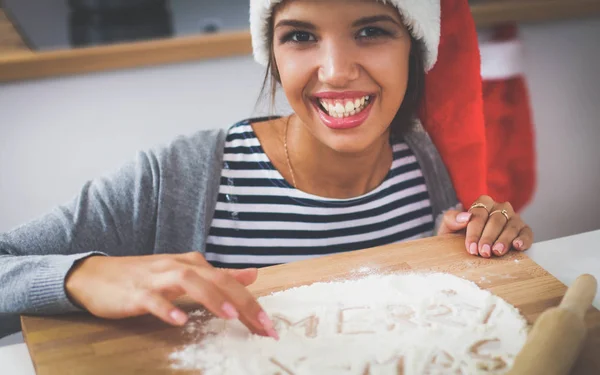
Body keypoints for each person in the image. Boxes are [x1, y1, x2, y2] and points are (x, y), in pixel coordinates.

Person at [0, 0, 533, 341]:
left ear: (415, 48)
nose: (336, 70)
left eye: (371, 30)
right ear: (273, 53)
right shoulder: (174, 179)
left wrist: (464, 255)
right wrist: (80, 275)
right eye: (300, 35)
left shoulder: (428, 156)